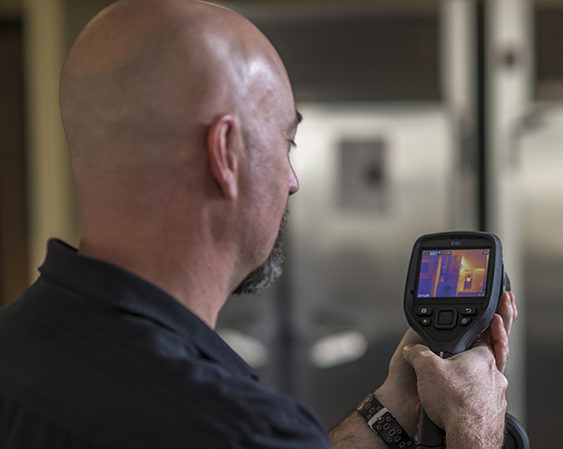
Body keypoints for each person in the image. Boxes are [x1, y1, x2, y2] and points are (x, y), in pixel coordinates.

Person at [0, 1, 517, 448]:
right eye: (286, 144)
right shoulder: (231, 426)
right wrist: (476, 427)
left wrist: (392, 409)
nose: (292, 181)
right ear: (225, 154)